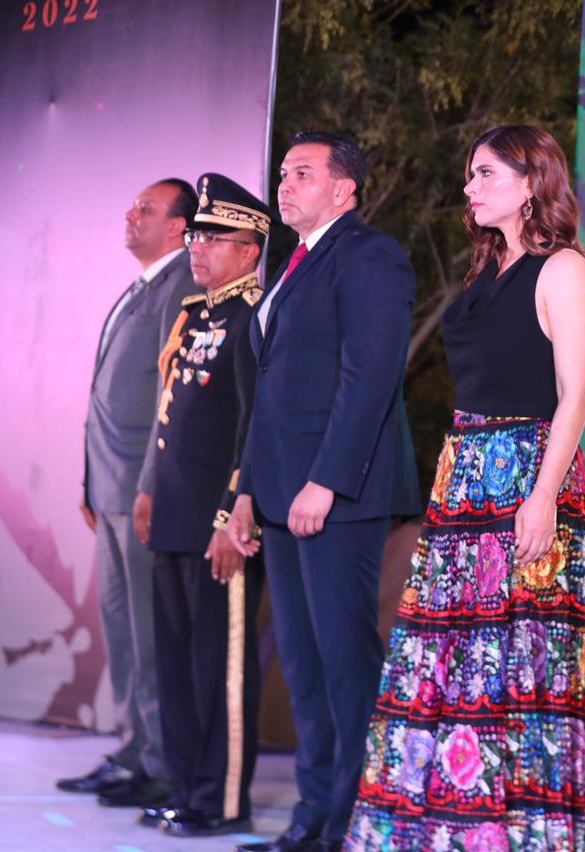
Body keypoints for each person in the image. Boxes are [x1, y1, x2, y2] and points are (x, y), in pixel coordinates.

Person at [344, 124, 585, 851]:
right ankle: (446, 833)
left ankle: (523, 835)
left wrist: (542, 497)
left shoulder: (563, 269)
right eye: (470, 174)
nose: (470, 187)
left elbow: (576, 394)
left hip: (529, 480)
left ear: (532, 183)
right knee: (452, 665)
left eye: (486, 173)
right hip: (464, 489)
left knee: (521, 665)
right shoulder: (487, 267)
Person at [226, 131, 421, 852]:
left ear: (344, 188)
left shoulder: (369, 256)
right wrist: (247, 489)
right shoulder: (295, 263)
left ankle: (354, 823)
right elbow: (269, 394)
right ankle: (311, 818)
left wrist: (327, 481)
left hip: (337, 496)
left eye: (302, 173)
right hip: (281, 496)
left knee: (344, 664)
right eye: (283, 173)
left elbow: (369, 378)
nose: (285, 184)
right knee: (303, 667)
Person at [135, 173, 268, 838]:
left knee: (221, 666)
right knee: (179, 662)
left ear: (250, 250)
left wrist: (230, 514)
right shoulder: (195, 315)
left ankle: (221, 798)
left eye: (216, 238)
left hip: (220, 523)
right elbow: (171, 417)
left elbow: (252, 425)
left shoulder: (251, 319)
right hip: (175, 517)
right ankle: (186, 787)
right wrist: (152, 490)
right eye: (197, 236)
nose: (199, 246)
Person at [57, 179, 197, 805]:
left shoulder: (181, 285)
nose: (131, 214)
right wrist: (90, 482)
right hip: (108, 488)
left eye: (146, 208)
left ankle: (162, 764)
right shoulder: (140, 287)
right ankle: (133, 750)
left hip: (142, 491)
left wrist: (149, 485)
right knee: (121, 631)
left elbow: (171, 396)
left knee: (149, 633)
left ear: (177, 227)